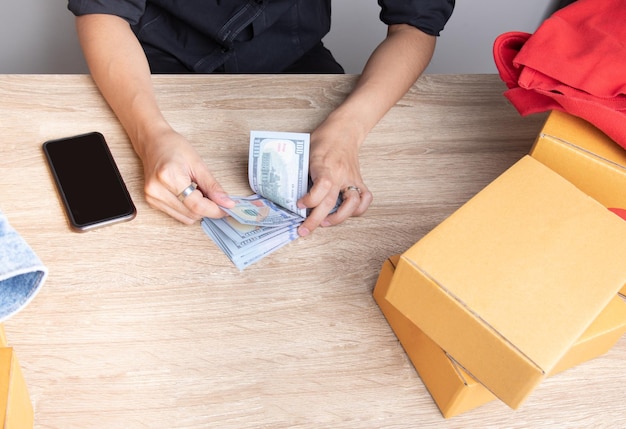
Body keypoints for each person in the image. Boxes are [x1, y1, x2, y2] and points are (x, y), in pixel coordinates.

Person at [67, 0, 454, 237]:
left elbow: (415, 24)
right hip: (148, 73)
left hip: (298, 65)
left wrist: (349, 131)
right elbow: (103, 11)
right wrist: (149, 134)